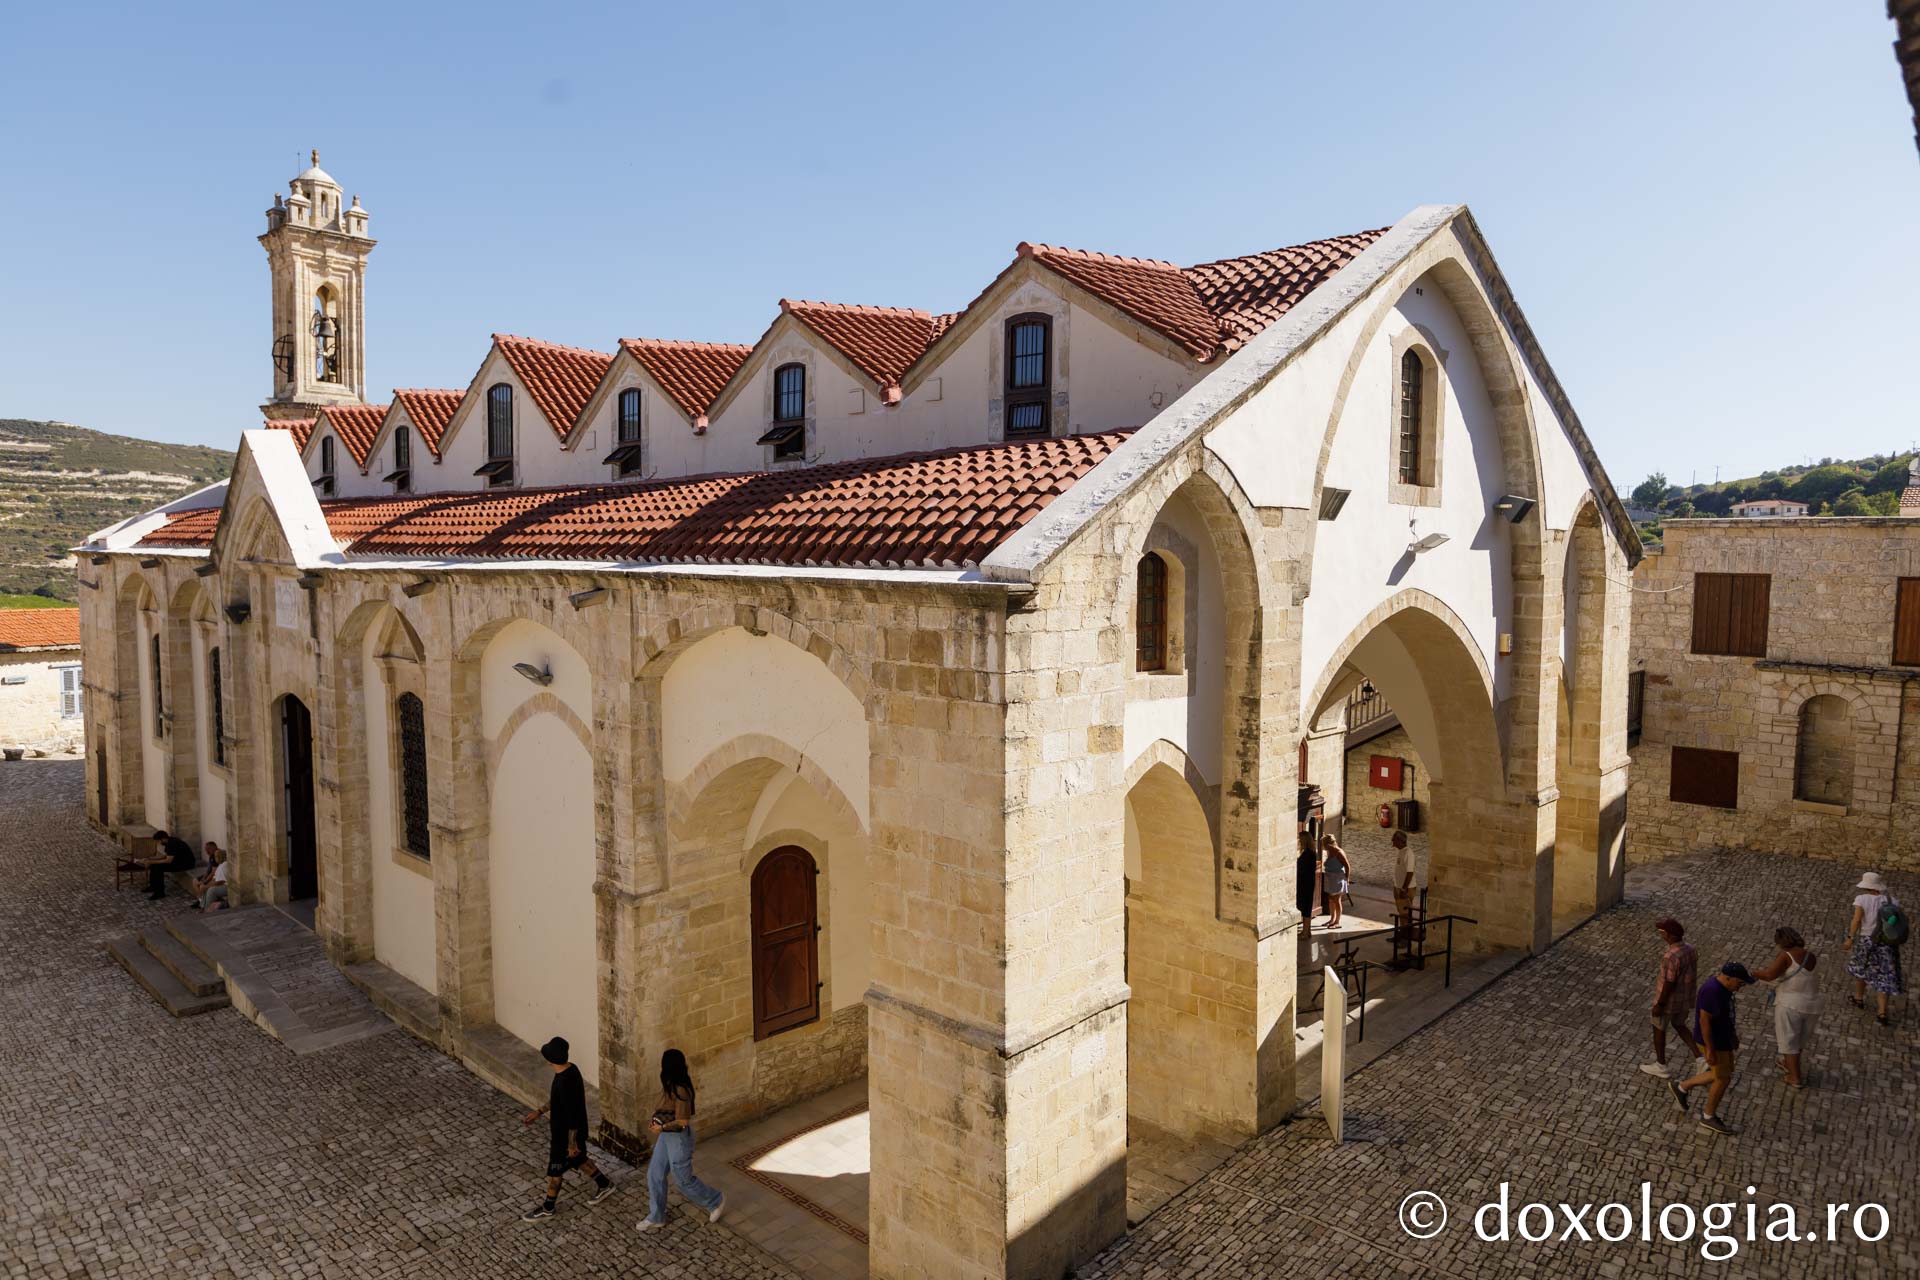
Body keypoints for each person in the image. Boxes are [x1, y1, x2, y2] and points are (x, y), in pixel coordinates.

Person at [519, 1036, 613, 1221]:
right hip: (573, 1134)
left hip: (565, 1137)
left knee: (555, 1172)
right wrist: (539, 1111)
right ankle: (605, 1184)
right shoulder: (571, 1069)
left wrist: (571, 1144)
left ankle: (548, 1206)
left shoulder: (563, 1083)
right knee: (579, 1160)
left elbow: (571, 1118)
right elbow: (557, 1101)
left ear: (550, 1059)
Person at [638, 1048, 725, 1232]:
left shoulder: (681, 1090)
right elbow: (665, 1110)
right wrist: (657, 1122)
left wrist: (660, 1127)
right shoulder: (670, 1084)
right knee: (655, 1174)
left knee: (683, 1181)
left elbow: (683, 1121)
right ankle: (657, 1216)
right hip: (666, 1137)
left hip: (678, 1139)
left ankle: (715, 1200)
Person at [1668, 962, 1753, 1135]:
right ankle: (1708, 1117)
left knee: (1722, 1073)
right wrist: (1710, 1050)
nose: (1740, 988)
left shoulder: (1724, 989)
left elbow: (1726, 1015)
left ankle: (1681, 1087)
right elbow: (1704, 1022)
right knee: (1722, 1079)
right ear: (1728, 978)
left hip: (1723, 1040)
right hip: (1714, 1042)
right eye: (1740, 983)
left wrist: (1732, 1035)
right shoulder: (1712, 991)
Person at [1752, 926, 1819, 1088]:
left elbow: (1770, 975)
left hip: (1790, 1003)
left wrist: (1754, 973)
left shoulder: (1786, 956)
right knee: (1799, 1039)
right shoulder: (1810, 956)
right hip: (1812, 1004)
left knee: (1789, 1040)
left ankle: (1795, 1078)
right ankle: (1788, 1064)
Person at [1639, 918, 1698, 1081]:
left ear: (1670, 936)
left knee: (1658, 1028)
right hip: (1684, 999)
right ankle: (1700, 1057)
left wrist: (1660, 1004)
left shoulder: (1670, 956)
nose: (1661, 934)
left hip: (1669, 1002)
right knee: (1680, 1025)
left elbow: (1669, 982)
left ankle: (1661, 1065)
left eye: (1663, 932)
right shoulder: (1691, 950)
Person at [1844, 871, 1905, 1026]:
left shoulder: (1861, 899)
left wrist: (1850, 938)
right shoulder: (1893, 901)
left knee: (1862, 969)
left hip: (1868, 940)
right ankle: (1882, 1012)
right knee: (1885, 975)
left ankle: (1859, 998)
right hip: (1887, 943)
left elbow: (1857, 920)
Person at [138, 829, 196, 900]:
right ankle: (153, 886)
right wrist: (150, 859)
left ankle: (159, 893)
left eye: (158, 841)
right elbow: (165, 856)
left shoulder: (172, 843)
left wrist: (151, 862)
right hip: (177, 861)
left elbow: (168, 860)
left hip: (185, 864)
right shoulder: (169, 842)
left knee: (158, 868)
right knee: (154, 865)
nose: (158, 843)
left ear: (163, 838)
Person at [1319, 836, 1351, 929]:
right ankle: (1332, 919)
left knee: (1337, 900)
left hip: (1338, 878)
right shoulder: (1329, 851)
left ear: (1329, 844)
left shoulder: (1339, 853)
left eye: (1324, 845)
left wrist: (1347, 879)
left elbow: (1347, 866)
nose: (1323, 847)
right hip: (1330, 878)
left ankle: (1337, 922)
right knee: (1331, 899)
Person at [189, 842, 228, 912]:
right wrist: (205, 882)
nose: (215, 858)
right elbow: (214, 876)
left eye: (216, 857)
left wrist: (207, 884)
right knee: (203, 886)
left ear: (220, 857)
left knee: (210, 890)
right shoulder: (220, 865)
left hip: (224, 886)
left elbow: (220, 881)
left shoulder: (223, 866)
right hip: (218, 882)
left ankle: (206, 909)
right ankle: (202, 905)